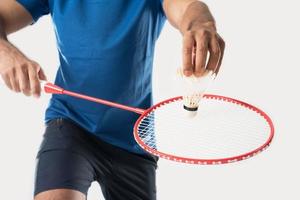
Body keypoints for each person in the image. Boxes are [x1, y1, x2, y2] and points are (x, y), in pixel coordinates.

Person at [0, 0, 225, 199]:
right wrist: (4, 52)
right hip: (72, 123)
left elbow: (189, 8)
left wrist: (201, 24)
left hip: (135, 140)